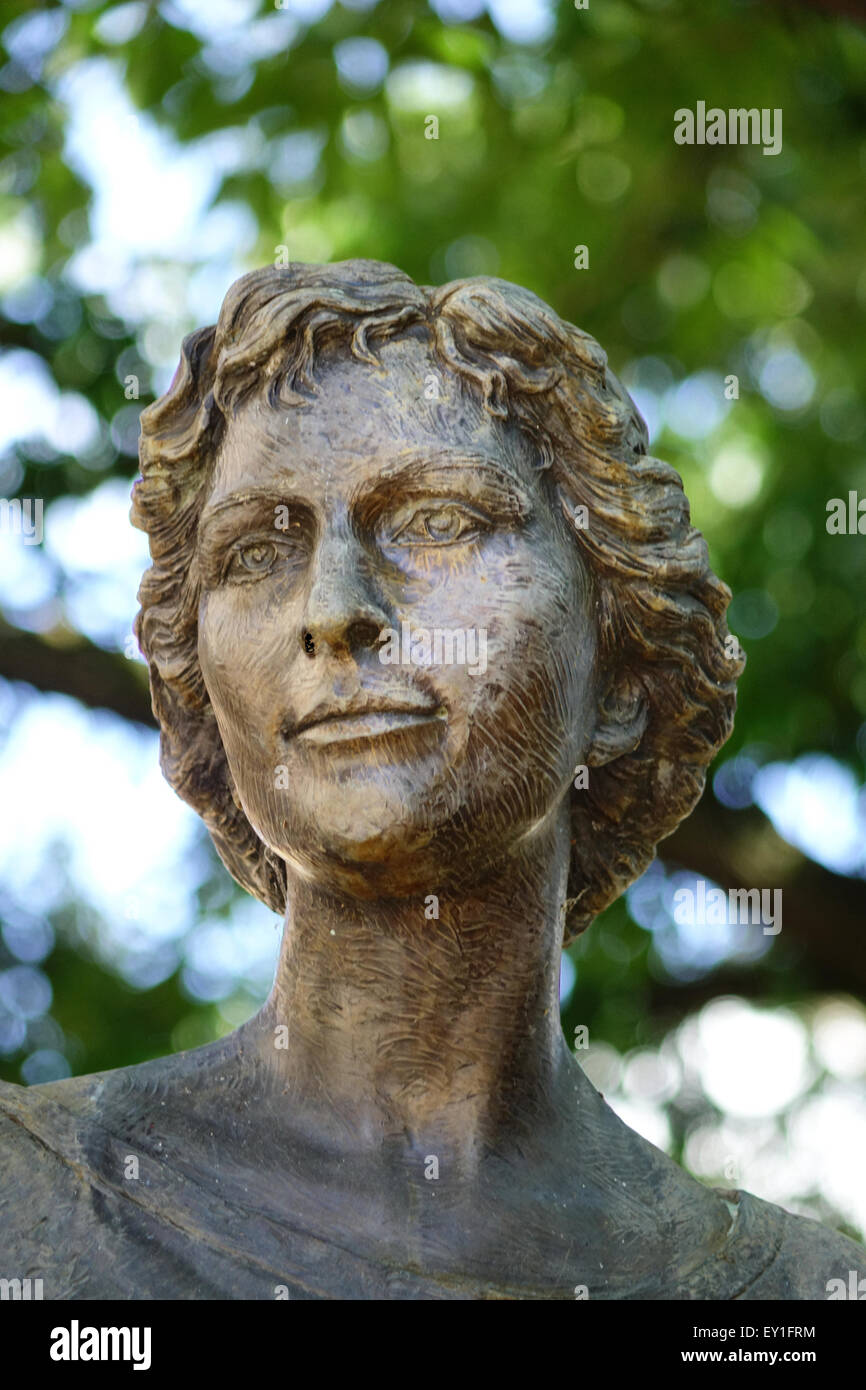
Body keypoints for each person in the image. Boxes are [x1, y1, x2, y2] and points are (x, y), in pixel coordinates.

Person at [1, 261, 861, 1299]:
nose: (333, 608)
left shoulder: (791, 1297)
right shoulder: (28, 1202)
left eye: (437, 520)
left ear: (621, 666)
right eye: (254, 552)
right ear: (197, 699)